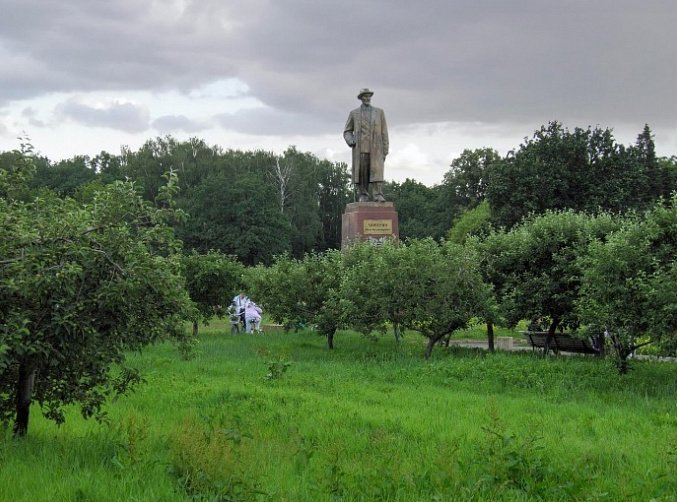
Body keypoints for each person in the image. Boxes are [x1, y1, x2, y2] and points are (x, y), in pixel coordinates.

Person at [343, 88, 389, 202]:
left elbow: (384, 132)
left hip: (376, 148)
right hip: (361, 148)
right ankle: (363, 194)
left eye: (369, 96)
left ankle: (378, 194)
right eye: (364, 96)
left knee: (377, 172)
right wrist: (350, 140)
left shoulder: (379, 112)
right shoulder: (354, 113)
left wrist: (385, 148)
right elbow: (347, 131)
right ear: (361, 98)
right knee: (363, 172)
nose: (367, 98)